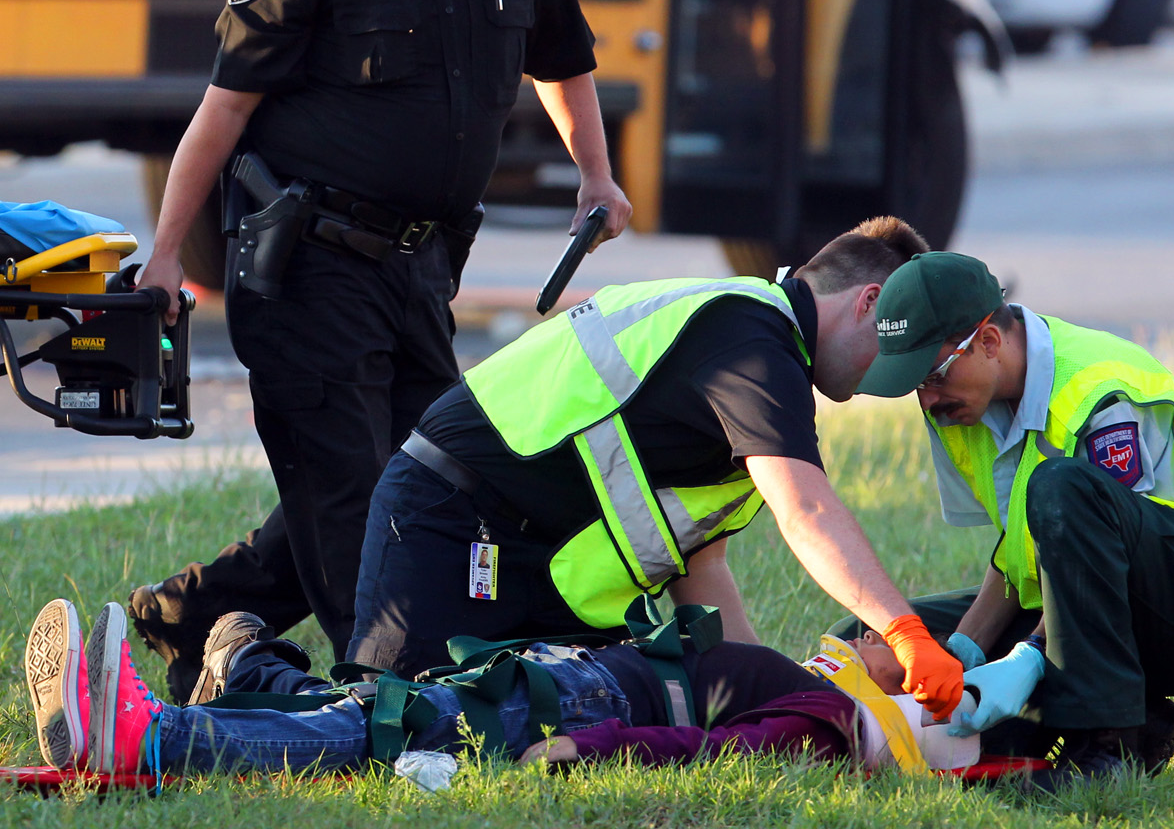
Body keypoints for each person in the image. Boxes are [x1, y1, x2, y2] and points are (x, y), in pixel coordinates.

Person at [129, 0, 631, 695]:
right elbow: (221, 112)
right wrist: (163, 253)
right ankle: (380, 689)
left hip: (421, 271)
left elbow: (562, 60)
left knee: (436, 476)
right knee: (353, 493)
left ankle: (193, 613)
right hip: (310, 266)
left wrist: (595, 176)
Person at [348, 215, 971, 725]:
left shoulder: (760, 351)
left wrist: (773, 695)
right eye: (888, 356)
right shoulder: (750, 337)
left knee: (543, 725)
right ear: (866, 303)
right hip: (455, 524)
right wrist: (904, 630)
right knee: (392, 725)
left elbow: (702, 569)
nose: (875, 387)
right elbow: (805, 509)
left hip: (543, 569)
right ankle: (250, 660)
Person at [848, 251, 1174, 787]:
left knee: (1061, 485)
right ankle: (1135, 719)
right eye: (913, 383)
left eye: (931, 374)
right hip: (1085, 600)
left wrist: (1026, 658)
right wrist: (960, 651)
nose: (927, 398)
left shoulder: (1098, 389)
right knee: (883, 637)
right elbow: (1020, 550)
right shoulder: (963, 403)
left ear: (989, 342)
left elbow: (1100, 555)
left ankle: (1108, 749)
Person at [23, 598, 972, 778]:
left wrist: (588, 747)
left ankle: (149, 740)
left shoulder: (833, 722)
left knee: (374, 734)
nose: (879, 635)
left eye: (902, 650)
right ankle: (240, 680)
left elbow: (715, 749)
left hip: (579, 707)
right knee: (378, 715)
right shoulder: (822, 690)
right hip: (567, 678)